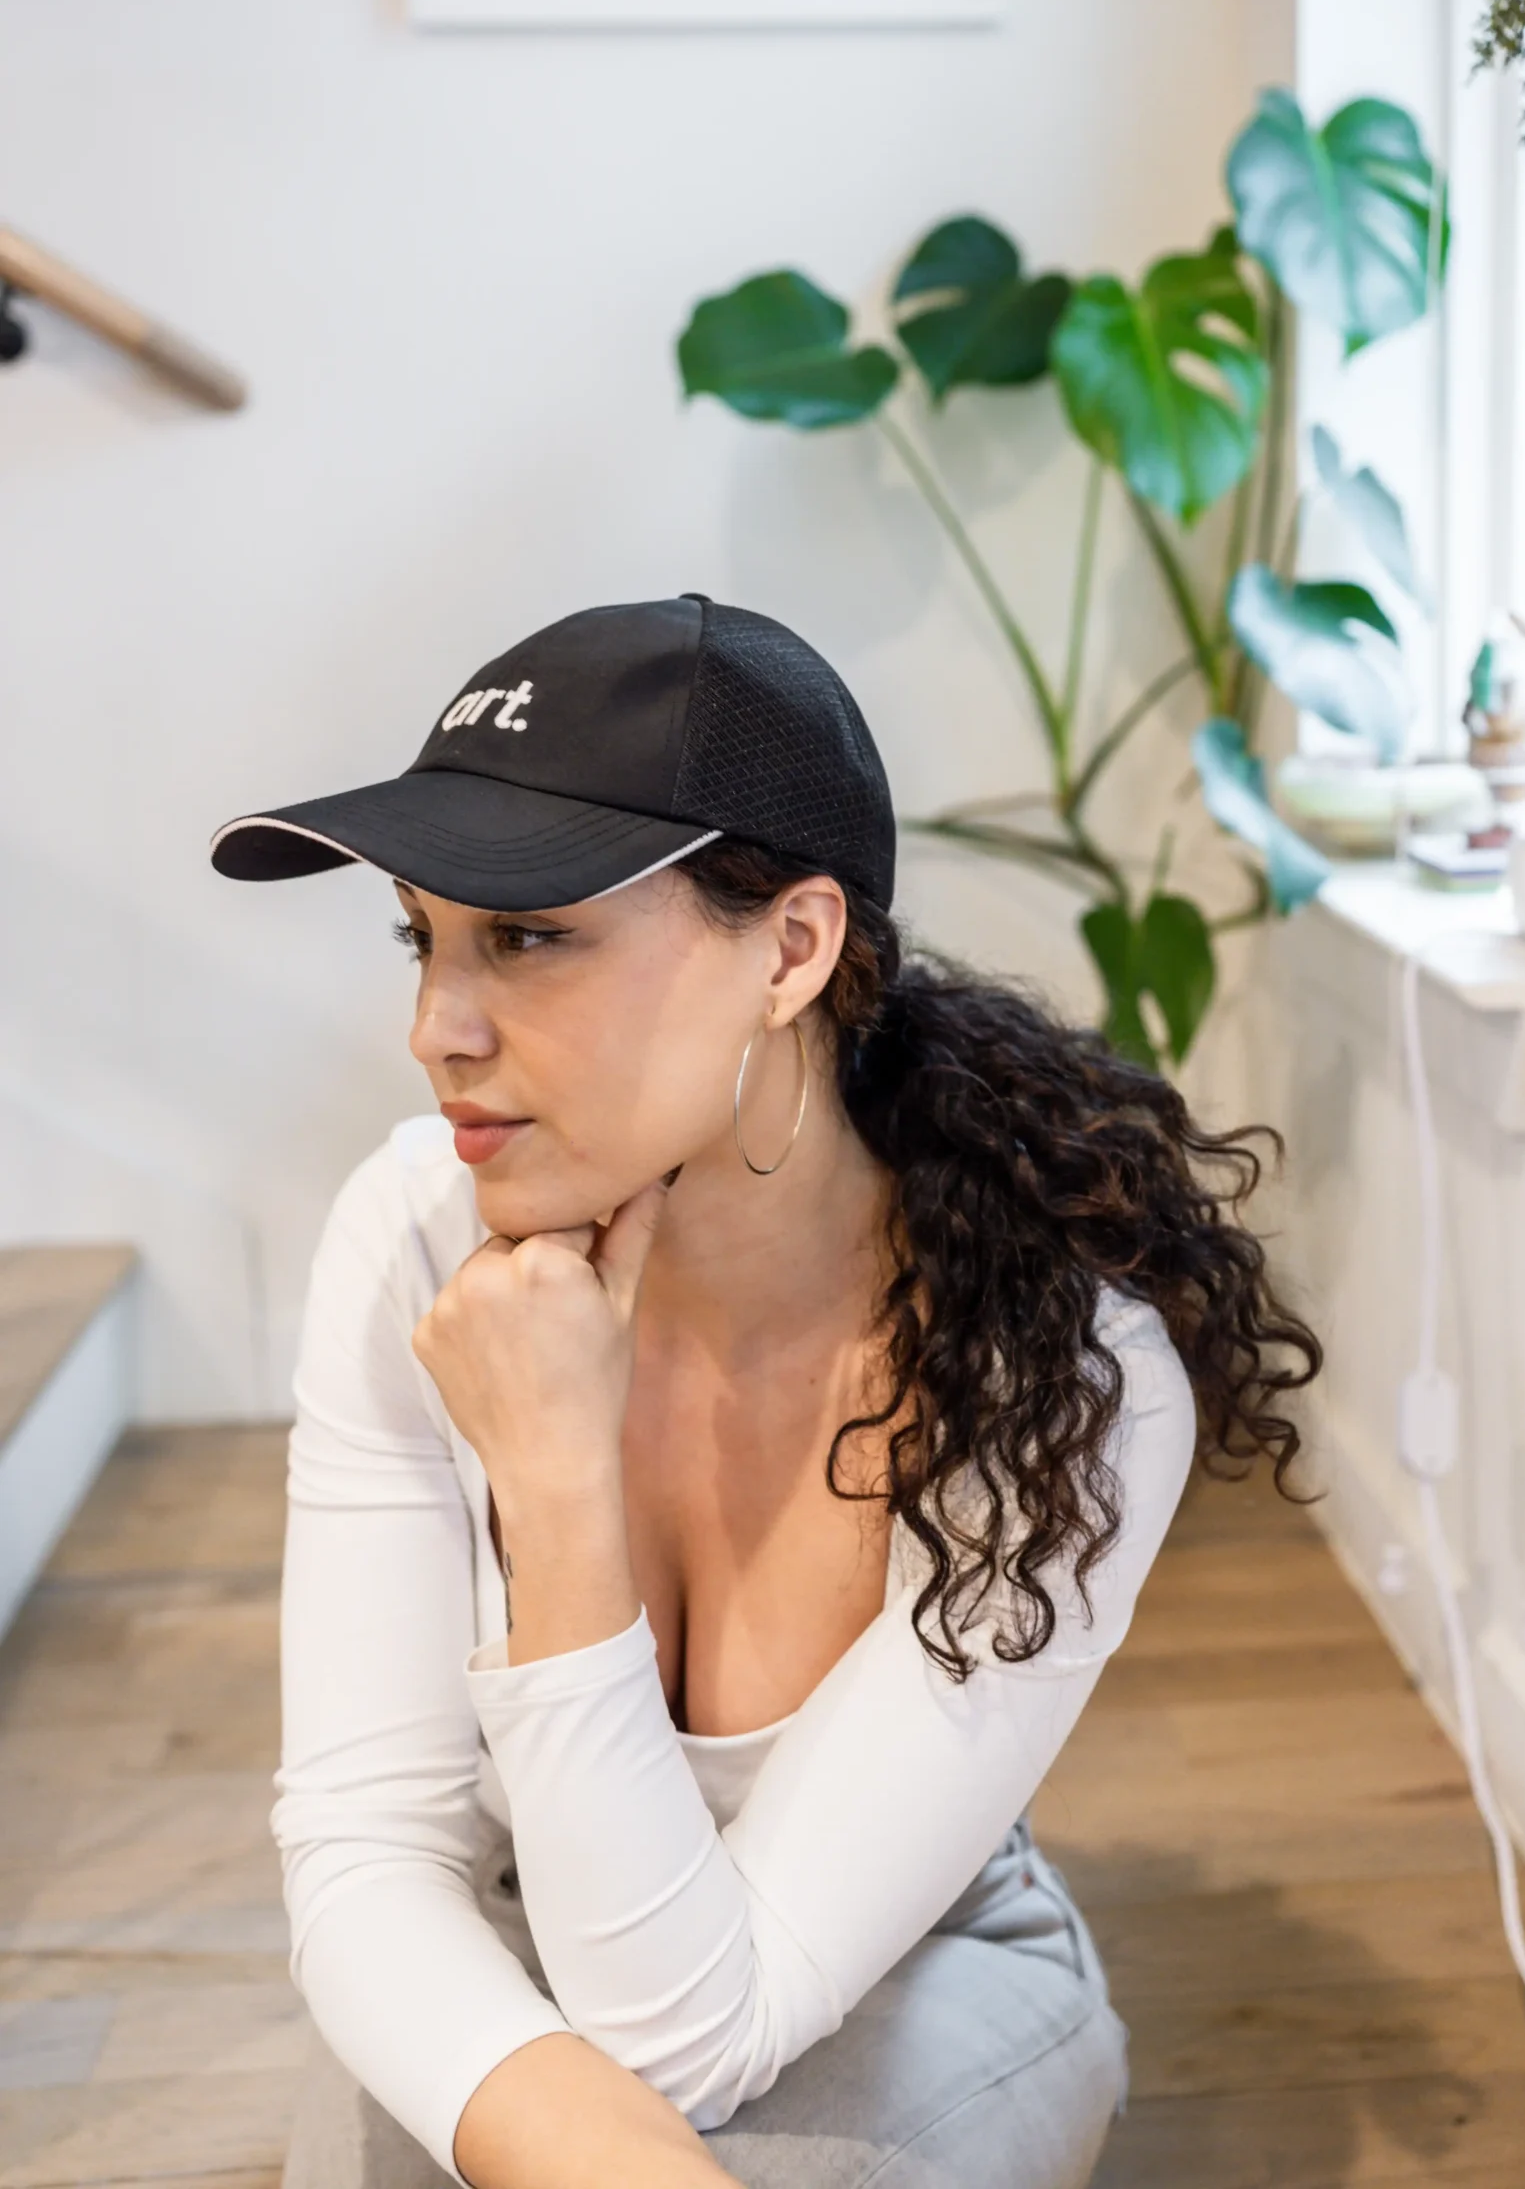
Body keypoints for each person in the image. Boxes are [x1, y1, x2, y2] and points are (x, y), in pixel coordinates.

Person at [211, 593, 1321, 2189]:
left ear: (791, 950)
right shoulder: (408, 1236)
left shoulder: (1054, 1368)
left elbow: (684, 2037)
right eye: (422, 937)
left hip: (902, 1967)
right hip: (517, 1942)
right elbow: (368, 1852)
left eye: (527, 936)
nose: (433, 1030)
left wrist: (558, 1486)